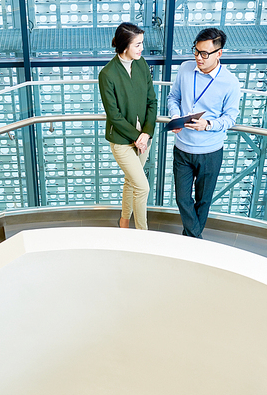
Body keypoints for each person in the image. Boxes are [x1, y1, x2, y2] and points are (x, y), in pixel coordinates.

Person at [167, 27, 241, 238]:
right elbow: (173, 98)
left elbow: (230, 118)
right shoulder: (185, 69)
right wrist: (175, 116)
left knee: (203, 200)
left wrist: (207, 124)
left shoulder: (230, 83)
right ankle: (196, 239)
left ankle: (191, 238)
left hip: (210, 151)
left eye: (205, 53)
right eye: (196, 51)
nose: (199, 58)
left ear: (219, 53)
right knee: (182, 199)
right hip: (182, 147)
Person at [99, 22, 157, 230]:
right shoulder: (108, 74)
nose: (142, 48)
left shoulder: (141, 64)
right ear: (125, 46)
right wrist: (137, 136)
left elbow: (152, 101)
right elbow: (113, 116)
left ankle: (124, 221)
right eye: (138, 44)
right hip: (123, 141)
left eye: (142, 43)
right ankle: (142, 234)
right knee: (142, 187)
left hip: (144, 138)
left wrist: (147, 133)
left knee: (132, 181)